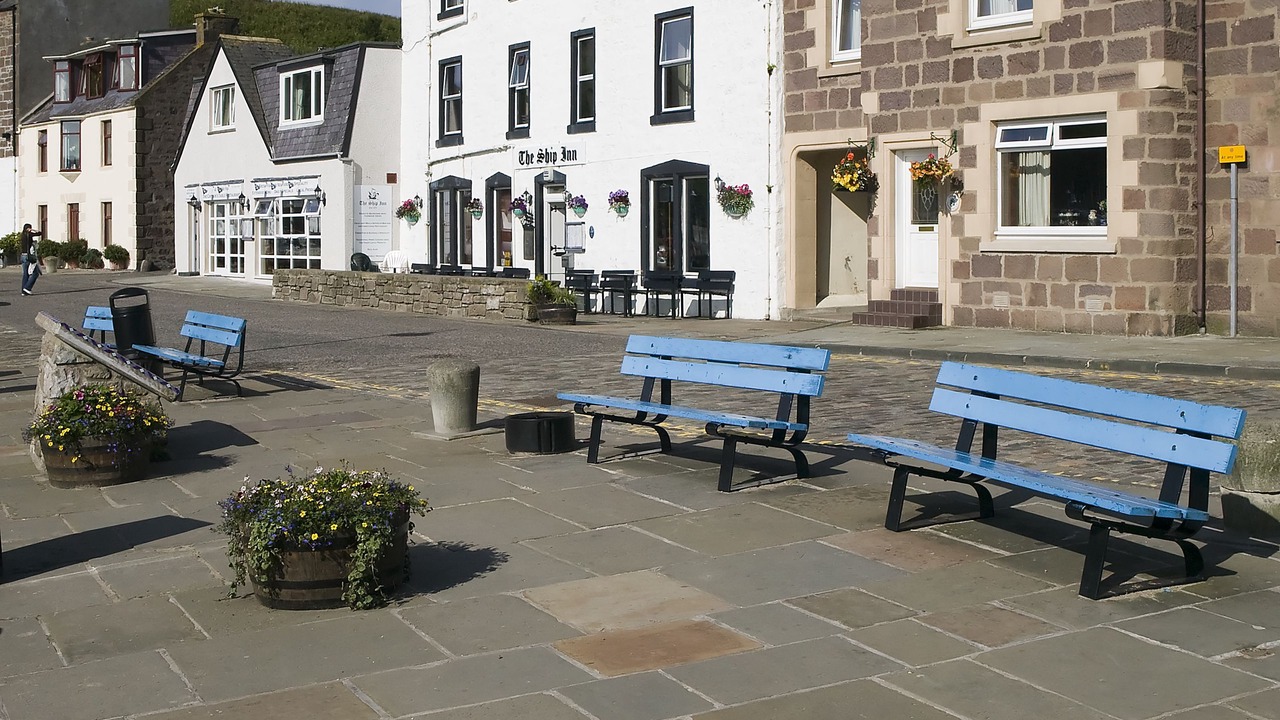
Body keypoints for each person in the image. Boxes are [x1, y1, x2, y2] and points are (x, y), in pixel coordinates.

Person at [19, 223, 42, 296]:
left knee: (25, 273)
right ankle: (27, 288)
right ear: (28, 228)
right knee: (35, 273)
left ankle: (24, 291)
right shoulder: (29, 235)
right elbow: (40, 233)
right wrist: (34, 230)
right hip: (29, 257)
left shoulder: (22, 235)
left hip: (23, 256)